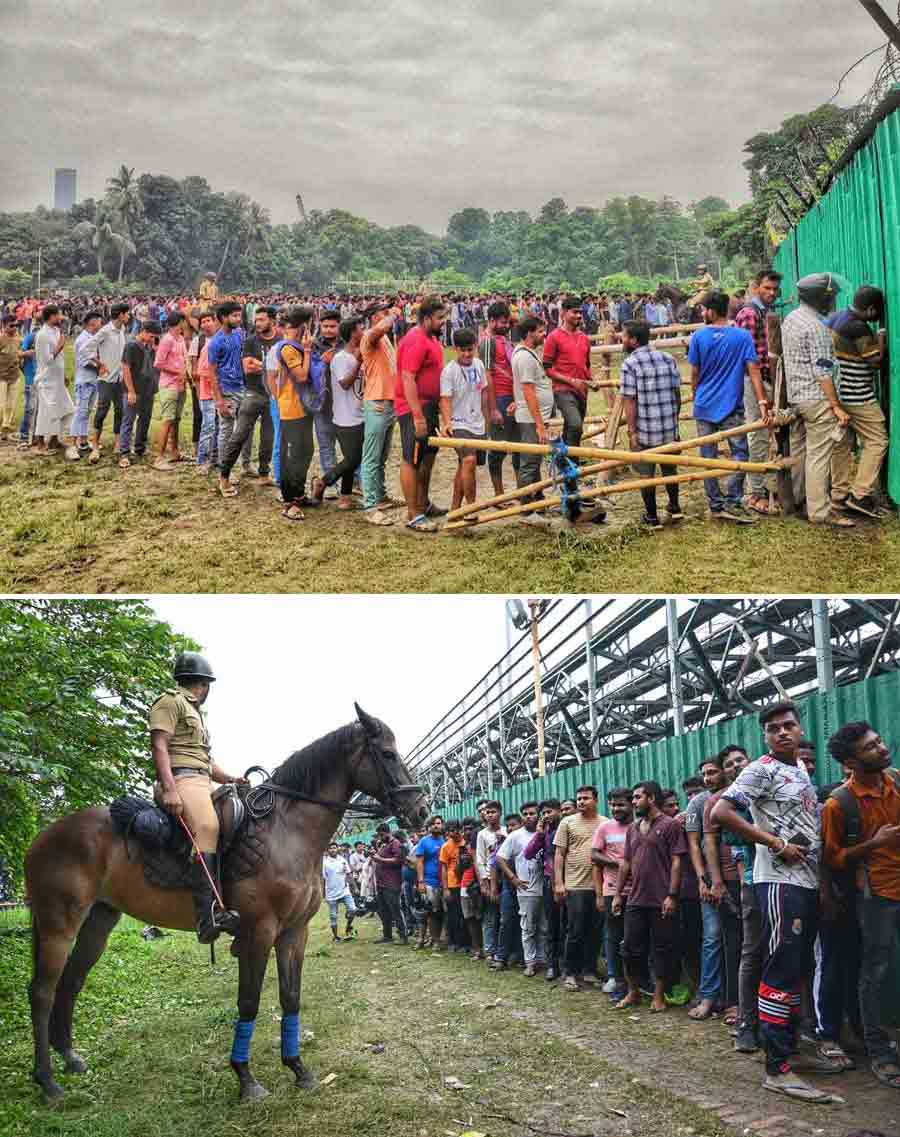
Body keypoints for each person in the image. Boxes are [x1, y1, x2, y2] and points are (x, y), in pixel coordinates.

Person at [712, 701, 829, 1103]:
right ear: (765, 735)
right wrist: (775, 843)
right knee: (779, 967)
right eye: (773, 728)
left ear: (799, 730)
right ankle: (776, 1068)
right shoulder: (760, 769)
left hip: (807, 882)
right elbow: (721, 812)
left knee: (798, 966)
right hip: (779, 882)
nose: (782, 732)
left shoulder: (799, 770)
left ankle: (794, 1049)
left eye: (788, 726)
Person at [822, 721, 900, 1087]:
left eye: (879, 741)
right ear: (851, 761)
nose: (881, 749)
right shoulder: (840, 803)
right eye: (871, 747)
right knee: (875, 973)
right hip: (876, 896)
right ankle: (879, 1051)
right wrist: (874, 843)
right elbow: (833, 858)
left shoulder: (896, 781)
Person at [148, 652, 244, 944]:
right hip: (180, 779)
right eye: (207, 685)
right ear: (203, 684)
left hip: (201, 779)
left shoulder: (195, 712)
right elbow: (160, 746)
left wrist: (229, 778)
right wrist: (170, 789)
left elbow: (204, 759)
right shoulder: (170, 701)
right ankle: (207, 917)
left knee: (240, 816)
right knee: (207, 827)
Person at [688, 290, 769, 523]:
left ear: (711, 311)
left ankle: (716, 503)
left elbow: (694, 373)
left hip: (704, 406)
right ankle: (733, 500)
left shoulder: (698, 337)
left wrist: (696, 396)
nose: (703, 313)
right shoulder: (742, 336)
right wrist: (763, 401)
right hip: (732, 406)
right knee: (740, 453)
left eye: (704, 309)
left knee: (707, 456)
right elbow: (754, 372)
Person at [783, 273, 854, 529]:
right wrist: (835, 405)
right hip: (816, 399)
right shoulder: (816, 328)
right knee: (819, 456)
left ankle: (800, 499)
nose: (833, 300)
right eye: (831, 296)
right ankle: (820, 511)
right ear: (820, 298)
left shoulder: (792, 318)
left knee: (802, 451)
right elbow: (823, 372)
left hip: (797, 396)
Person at [613, 781, 686, 1013]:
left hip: (661, 899)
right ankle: (633, 992)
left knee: (662, 948)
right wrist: (617, 894)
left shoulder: (670, 825)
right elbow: (625, 863)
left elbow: (677, 861)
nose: (633, 802)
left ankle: (658, 995)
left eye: (637, 798)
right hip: (635, 899)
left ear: (651, 798)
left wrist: (672, 895)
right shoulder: (634, 828)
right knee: (630, 947)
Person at [828, 285, 889, 520]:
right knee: (877, 440)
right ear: (871, 309)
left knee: (842, 445)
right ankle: (860, 495)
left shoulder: (836, 318)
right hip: (858, 395)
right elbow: (875, 360)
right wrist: (881, 334)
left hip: (838, 395)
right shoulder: (858, 327)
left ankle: (839, 496)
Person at [619, 319, 684, 531]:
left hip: (646, 432)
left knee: (646, 473)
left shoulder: (630, 364)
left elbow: (629, 400)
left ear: (634, 340)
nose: (622, 338)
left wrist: (631, 432)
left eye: (625, 335)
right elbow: (677, 394)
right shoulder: (668, 358)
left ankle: (651, 517)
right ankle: (675, 507)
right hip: (668, 428)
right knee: (670, 469)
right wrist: (674, 421)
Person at [396, 295, 447, 533]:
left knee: (428, 456)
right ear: (426, 319)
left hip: (430, 406)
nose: (443, 322)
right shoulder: (415, 339)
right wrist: (417, 416)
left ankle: (423, 503)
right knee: (412, 458)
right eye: (439, 318)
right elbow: (407, 378)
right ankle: (413, 514)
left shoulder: (432, 339)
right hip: (413, 408)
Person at [734, 271, 782, 515]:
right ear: (755, 287)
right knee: (757, 433)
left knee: (765, 432)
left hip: (765, 379)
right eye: (766, 288)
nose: (771, 293)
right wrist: (761, 394)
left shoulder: (764, 311)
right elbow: (748, 361)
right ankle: (754, 493)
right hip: (755, 382)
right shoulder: (750, 314)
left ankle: (764, 485)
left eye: (774, 289)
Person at [216, 306, 277, 496]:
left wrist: (261, 365)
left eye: (262, 320)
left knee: (269, 436)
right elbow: (248, 368)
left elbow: (285, 367)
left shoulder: (281, 340)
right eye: (256, 320)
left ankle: (264, 473)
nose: (257, 323)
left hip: (273, 396)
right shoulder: (250, 341)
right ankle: (224, 476)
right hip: (252, 394)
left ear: (273, 320)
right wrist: (272, 366)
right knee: (239, 434)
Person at [554, 785, 606, 991]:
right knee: (575, 930)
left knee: (595, 931)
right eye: (579, 798)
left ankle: (590, 971)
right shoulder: (567, 822)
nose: (581, 802)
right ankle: (570, 973)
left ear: (595, 800)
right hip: (575, 885)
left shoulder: (605, 823)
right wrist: (559, 883)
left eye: (585, 798)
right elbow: (559, 855)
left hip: (600, 886)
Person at [311, 317, 366, 509]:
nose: (364, 331)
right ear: (352, 333)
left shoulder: (358, 355)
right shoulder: (340, 358)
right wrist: (358, 363)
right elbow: (344, 384)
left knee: (352, 457)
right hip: (345, 416)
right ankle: (323, 482)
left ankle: (345, 497)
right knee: (353, 458)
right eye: (361, 328)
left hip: (360, 413)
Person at [270, 307, 315, 521]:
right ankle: (289, 503)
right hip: (291, 408)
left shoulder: (294, 346)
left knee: (305, 451)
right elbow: (302, 376)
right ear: (301, 326)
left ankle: (298, 494)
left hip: (302, 408)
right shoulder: (289, 349)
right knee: (294, 456)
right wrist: (307, 351)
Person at [439, 328, 490, 512]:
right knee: (469, 461)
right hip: (458, 423)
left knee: (464, 465)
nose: (467, 354)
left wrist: (487, 419)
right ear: (455, 349)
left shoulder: (479, 365)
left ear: (475, 347)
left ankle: (455, 509)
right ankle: (470, 508)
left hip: (478, 423)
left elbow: (483, 392)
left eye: (470, 349)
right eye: (463, 350)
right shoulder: (449, 372)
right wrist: (447, 423)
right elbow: (445, 399)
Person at [359, 299, 401, 525]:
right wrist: (394, 314)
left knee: (382, 456)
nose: (388, 316)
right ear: (375, 317)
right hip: (376, 402)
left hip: (388, 402)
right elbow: (382, 327)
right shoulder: (371, 336)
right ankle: (371, 505)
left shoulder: (385, 338)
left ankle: (381, 496)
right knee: (372, 457)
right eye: (383, 313)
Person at [592, 788, 634, 1002]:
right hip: (612, 892)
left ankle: (638, 982)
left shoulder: (639, 827)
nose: (616, 809)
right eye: (613, 805)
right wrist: (617, 863)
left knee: (635, 938)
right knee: (614, 937)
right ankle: (618, 982)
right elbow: (594, 855)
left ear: (632, 805)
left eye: (621, 805)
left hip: (639, 891)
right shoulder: (605, 828)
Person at [496, 801, 546, 976]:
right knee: (528, 926)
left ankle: (542, 959)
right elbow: (500, 858)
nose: (528, 817)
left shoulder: (546, 832)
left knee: (544, 927)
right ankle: (530, 962)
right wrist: (513, 878)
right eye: (525, 814)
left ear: (539, 815)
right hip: (526, 889)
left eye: (532, 813)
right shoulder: (515, 836)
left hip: (546, 887)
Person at [543, 296, 596, 451]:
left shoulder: (584, 338)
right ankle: (571, 463)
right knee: (575, 425)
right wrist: (571, 381)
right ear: (563, 313)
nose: (579, 315)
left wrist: (590, 380)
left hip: (582, 391)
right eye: (575, 312)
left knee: (573, 429)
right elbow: (547, 368)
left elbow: (586, 365)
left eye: (580, 312)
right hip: (563, 390)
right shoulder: (553, 337)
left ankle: (566, 462)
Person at [479, 301, 519, 494]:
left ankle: (522, 492)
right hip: (499, 399)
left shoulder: (505, 340)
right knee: (498, 450)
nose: (506, 326)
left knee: (517, 447)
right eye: (503, 322)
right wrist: (493, 408)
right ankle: (499, 494)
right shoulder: (487, 342)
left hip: (512, 399)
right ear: (492, 321)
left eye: (508, 322)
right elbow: (487, 376)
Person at [512, 316, 553, 500]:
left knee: (535, 459)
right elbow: (528, 391)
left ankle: (537, 498)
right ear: (529, 333)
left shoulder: (527, 353)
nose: (544, 335)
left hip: (533, 417)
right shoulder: (524, 357)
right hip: (531, 419)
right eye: (540, 331)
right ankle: (527, 508)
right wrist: (539, 425)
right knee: (529, 462)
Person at [33, 306, 79, 460]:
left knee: (65, 409)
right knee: (46, 413)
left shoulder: (56, 331)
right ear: (51, 316)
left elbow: (59, 359)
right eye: (58, 314)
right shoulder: (42, 335)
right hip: (46, 380)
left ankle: (54, 440)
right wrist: (60, 346)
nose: (61, 317)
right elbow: (46, 359)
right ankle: (40, 444)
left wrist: (63, 375)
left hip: (57, 379)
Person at [524, 798, 563, 980]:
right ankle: (553, 965)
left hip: (571, 881)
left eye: (550, 812)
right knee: (552, 925)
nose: (547, 816)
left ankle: (571, 966)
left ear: (559, 811)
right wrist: (539, 834)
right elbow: (528, 853)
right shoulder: (545, 833)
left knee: (570, 925)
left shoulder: (567, 827)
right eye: (544, 813)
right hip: (549, 883)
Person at [207, 301, 248, 473]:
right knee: (226, 430)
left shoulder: (239, 334)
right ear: (224, 318)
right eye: (235, 316)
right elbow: (212, 373)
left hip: (242, 387)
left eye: (239, 315)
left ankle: (244, 464)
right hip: (226, 391)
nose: (239, 319)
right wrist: (219, 400)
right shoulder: (216, 342)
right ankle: (224, 469)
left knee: (245, 427)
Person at [88, 302, 130, 463]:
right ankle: (95, 445)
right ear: (120, 315)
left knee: (120, 410)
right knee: (102, 411)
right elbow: (87, 348)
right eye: (127, 313)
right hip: (106, 380)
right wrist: (99, 364)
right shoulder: (105, 331)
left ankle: (118, 443)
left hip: (120, 379)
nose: (129, 316)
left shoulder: (122, 329)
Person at [119, 321, 162, 467]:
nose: (152, 339)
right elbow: (126, 368)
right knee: (128, 420)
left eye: (155, 337)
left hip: (148, 389)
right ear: (143, 331)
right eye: (151, 336)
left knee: (145, 420)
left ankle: (139, 448)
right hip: (134, 390)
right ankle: (124, 453)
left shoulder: (150, 347)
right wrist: (131, 391)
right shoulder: (131, 346)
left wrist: (155, 348)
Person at [152, 311, 189, 471]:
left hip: (180, 385)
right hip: (169, 385)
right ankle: (158, 457)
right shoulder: (167, 340)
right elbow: (158, 363)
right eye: (184, 321)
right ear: (180, 322)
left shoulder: (180, 339)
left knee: (176, 420)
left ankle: (174, 452)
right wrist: (177, 372)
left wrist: (185, 376)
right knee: (167, 419)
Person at [476, 801, 505, 961]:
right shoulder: (482, 834)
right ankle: (489, 950)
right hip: (489, 879)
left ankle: (504, 950)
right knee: (490, 917)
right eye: (487, 812)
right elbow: (480, 859)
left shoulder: (507, 830)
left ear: (500, 812)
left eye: (492, 812)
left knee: (505, 917)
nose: (489, 815)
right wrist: (484, 882)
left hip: (506, 879)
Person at [70, 310, 102, 450]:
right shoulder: (83, 339)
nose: (101, 325)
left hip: (92, 380)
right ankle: (73, 443)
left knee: (87, 411)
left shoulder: (91, 338)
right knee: (81, 411)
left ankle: (82, 441)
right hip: (84, 380)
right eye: (99, 322)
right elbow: (85, 361)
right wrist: (101, 367)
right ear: (92, 323)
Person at [372, 822, 406, 944]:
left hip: (392, 883)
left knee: (395, 910)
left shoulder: (395, 844)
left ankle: (403, 937)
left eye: (381, 834)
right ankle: (387, 935)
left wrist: (380, 859)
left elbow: (398, 860)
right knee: (384, 911)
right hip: (382, 884)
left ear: (387, 832)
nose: (380, 837)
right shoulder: (384, 845)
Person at [415, 815, 446, 952]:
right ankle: (435, 940)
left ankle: (441, 938)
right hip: (429, 882)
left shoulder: (445, 840)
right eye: (433, 823)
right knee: (432, 913)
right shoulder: (424, 842)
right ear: (429, 826)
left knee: (442, 912)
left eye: (438, 823)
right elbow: (419, 862)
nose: (436, 825)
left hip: (444, 882)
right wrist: (421, 881)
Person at [322, 841, 356, 942]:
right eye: (331, 848)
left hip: (344, 891)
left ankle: (348, 927)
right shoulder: (325, 863)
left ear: (337, 849)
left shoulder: (342, 860)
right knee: (333, 916)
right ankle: (336, 936)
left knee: (353, 910)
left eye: (334, 848)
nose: (333, 850)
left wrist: (355, 887)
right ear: (327, 851)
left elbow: (349, 873)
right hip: (331, 893)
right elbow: (323, 879)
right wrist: (323, 894)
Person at [0, 316, 22, 442]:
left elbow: (18, 355)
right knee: (1, 406)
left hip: (14, 376)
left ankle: (5, 429)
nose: (14, 328)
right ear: (4, 326)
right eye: (11, 325)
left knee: (11, 406)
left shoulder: (18, 339)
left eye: (16, 325)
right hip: (1, 376)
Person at [16, 319, 37, 445]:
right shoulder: (31, 337)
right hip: (31, 379)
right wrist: (27, 353)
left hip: (43, 380)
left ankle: (36, 437)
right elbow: (19, 353)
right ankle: (24, 436)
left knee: (40, 410)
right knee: (29, 408)